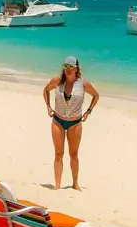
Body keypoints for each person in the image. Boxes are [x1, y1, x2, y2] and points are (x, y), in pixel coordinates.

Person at [42, 56, 98, 190]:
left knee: (73, 154)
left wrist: (88, 111)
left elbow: (96, 96)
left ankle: (75, 183)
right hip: (58, 121)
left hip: (75, 123)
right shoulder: (57, 81)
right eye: (65, 66)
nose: (68, 69)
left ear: (76, 68)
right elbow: (45, 90)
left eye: (71, 67)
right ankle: (57, 185)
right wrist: (48, 107)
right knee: (58, 153)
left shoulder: (84, 84)